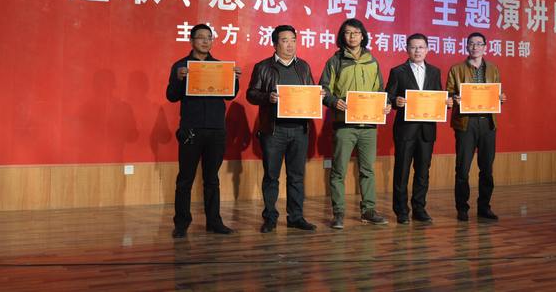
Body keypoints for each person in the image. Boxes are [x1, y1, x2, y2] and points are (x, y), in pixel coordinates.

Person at [166, 24, 241, 237]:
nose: (206, 41)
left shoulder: (219, 66)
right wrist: (179, 80)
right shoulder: (181, 66)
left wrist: (234, 79)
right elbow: (171, 96)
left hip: (216, 130)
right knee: (185, 179)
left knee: (212, 179)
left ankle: (214, 222)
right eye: (201, 37)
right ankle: (181, 224)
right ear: (191, 41)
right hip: (191, 129)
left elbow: (230, 95)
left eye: (209, 37)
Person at [319, 18, 392, 230]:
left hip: (369, 126)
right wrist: (334, 101)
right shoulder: (335, 61)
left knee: (368, 170)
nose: (352, 36)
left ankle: (368, 210)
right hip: (344, 125)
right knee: (338, 171)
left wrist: (386, 104)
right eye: (348, 32)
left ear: (363, 36)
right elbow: (324, 90)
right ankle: (338, 213)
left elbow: (380, 90)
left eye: (356, 32)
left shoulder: (372, 61)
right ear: (343, 36)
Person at [246, 25, 319, 233]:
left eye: (293, 40)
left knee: (296, 176)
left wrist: (317, 96)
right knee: (271, 176)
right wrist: (267, 97)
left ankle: (296, 217)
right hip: (274, 130)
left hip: (299, 129)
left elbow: (310, 92)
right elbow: (251, 94)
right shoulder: (263, 67)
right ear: (275, 44)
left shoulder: (303, 67)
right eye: (285, 40)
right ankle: (270, 218)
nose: (290, 45)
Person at [386, 33, 452, 224]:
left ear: (427, 49)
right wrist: (396, 101)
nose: (417, 51)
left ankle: (419, 208)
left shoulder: (434, 71)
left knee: (423, 171)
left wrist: (446, 102)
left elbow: (438, 96)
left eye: (421, 47)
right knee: (402, 171)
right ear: (407, 49)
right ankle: (401, 211)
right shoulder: (398, 71)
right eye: (413, 47)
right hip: (405, 129)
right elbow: (388, 96)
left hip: (427, 130)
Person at [446, 32, 507, 222]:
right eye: (471, 44)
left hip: (487, 122)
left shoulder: (493, 69)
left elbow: (496, 92)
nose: (475, 47)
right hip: (466, 122)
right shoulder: (456, 69)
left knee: (486, 168)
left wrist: (501, 98)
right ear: (467, 46)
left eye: (479, 44)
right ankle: (462, 208)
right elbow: (448, 93)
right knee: (462, 169)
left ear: (485, 47)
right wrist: (454, 98)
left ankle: (484, 207)